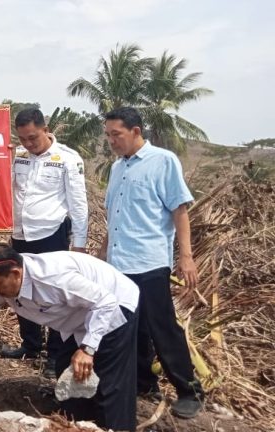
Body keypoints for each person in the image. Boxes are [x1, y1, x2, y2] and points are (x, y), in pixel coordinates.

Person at [0, 243, 140, 432]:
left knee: (111, 385)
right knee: (68, 376)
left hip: (114, 308)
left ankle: (115, 427)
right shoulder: (0, 286)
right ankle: (81, 426)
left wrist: (88, 349)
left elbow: (105, 302)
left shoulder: (53, 277)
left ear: (16, 273)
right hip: (78, 319)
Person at [100, 107, 205, 419]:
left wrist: (185, 257)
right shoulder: (117, 168)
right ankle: (144, 383)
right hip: (120, 263)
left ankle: (189, 390)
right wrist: (102, 255)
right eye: (107, 135)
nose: (111, 141)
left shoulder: (163, 161)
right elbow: (113, 217)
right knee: (131, 328)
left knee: (162, 327)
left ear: (135, 131)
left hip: (149, 260)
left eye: (115, 134)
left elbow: (179, 210)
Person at [0, 109, 89, 379]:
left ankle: (54, 355)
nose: (28, 144)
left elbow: (78, 203)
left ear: (45, 128)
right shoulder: (18, 157)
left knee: (54, 293)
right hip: (20, 233)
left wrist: (80, 244)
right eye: (23, 139)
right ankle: (30, 344)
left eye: (33, 138)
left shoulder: (67, 159)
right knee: (20, 290)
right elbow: (5, 186)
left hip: (51, 233)